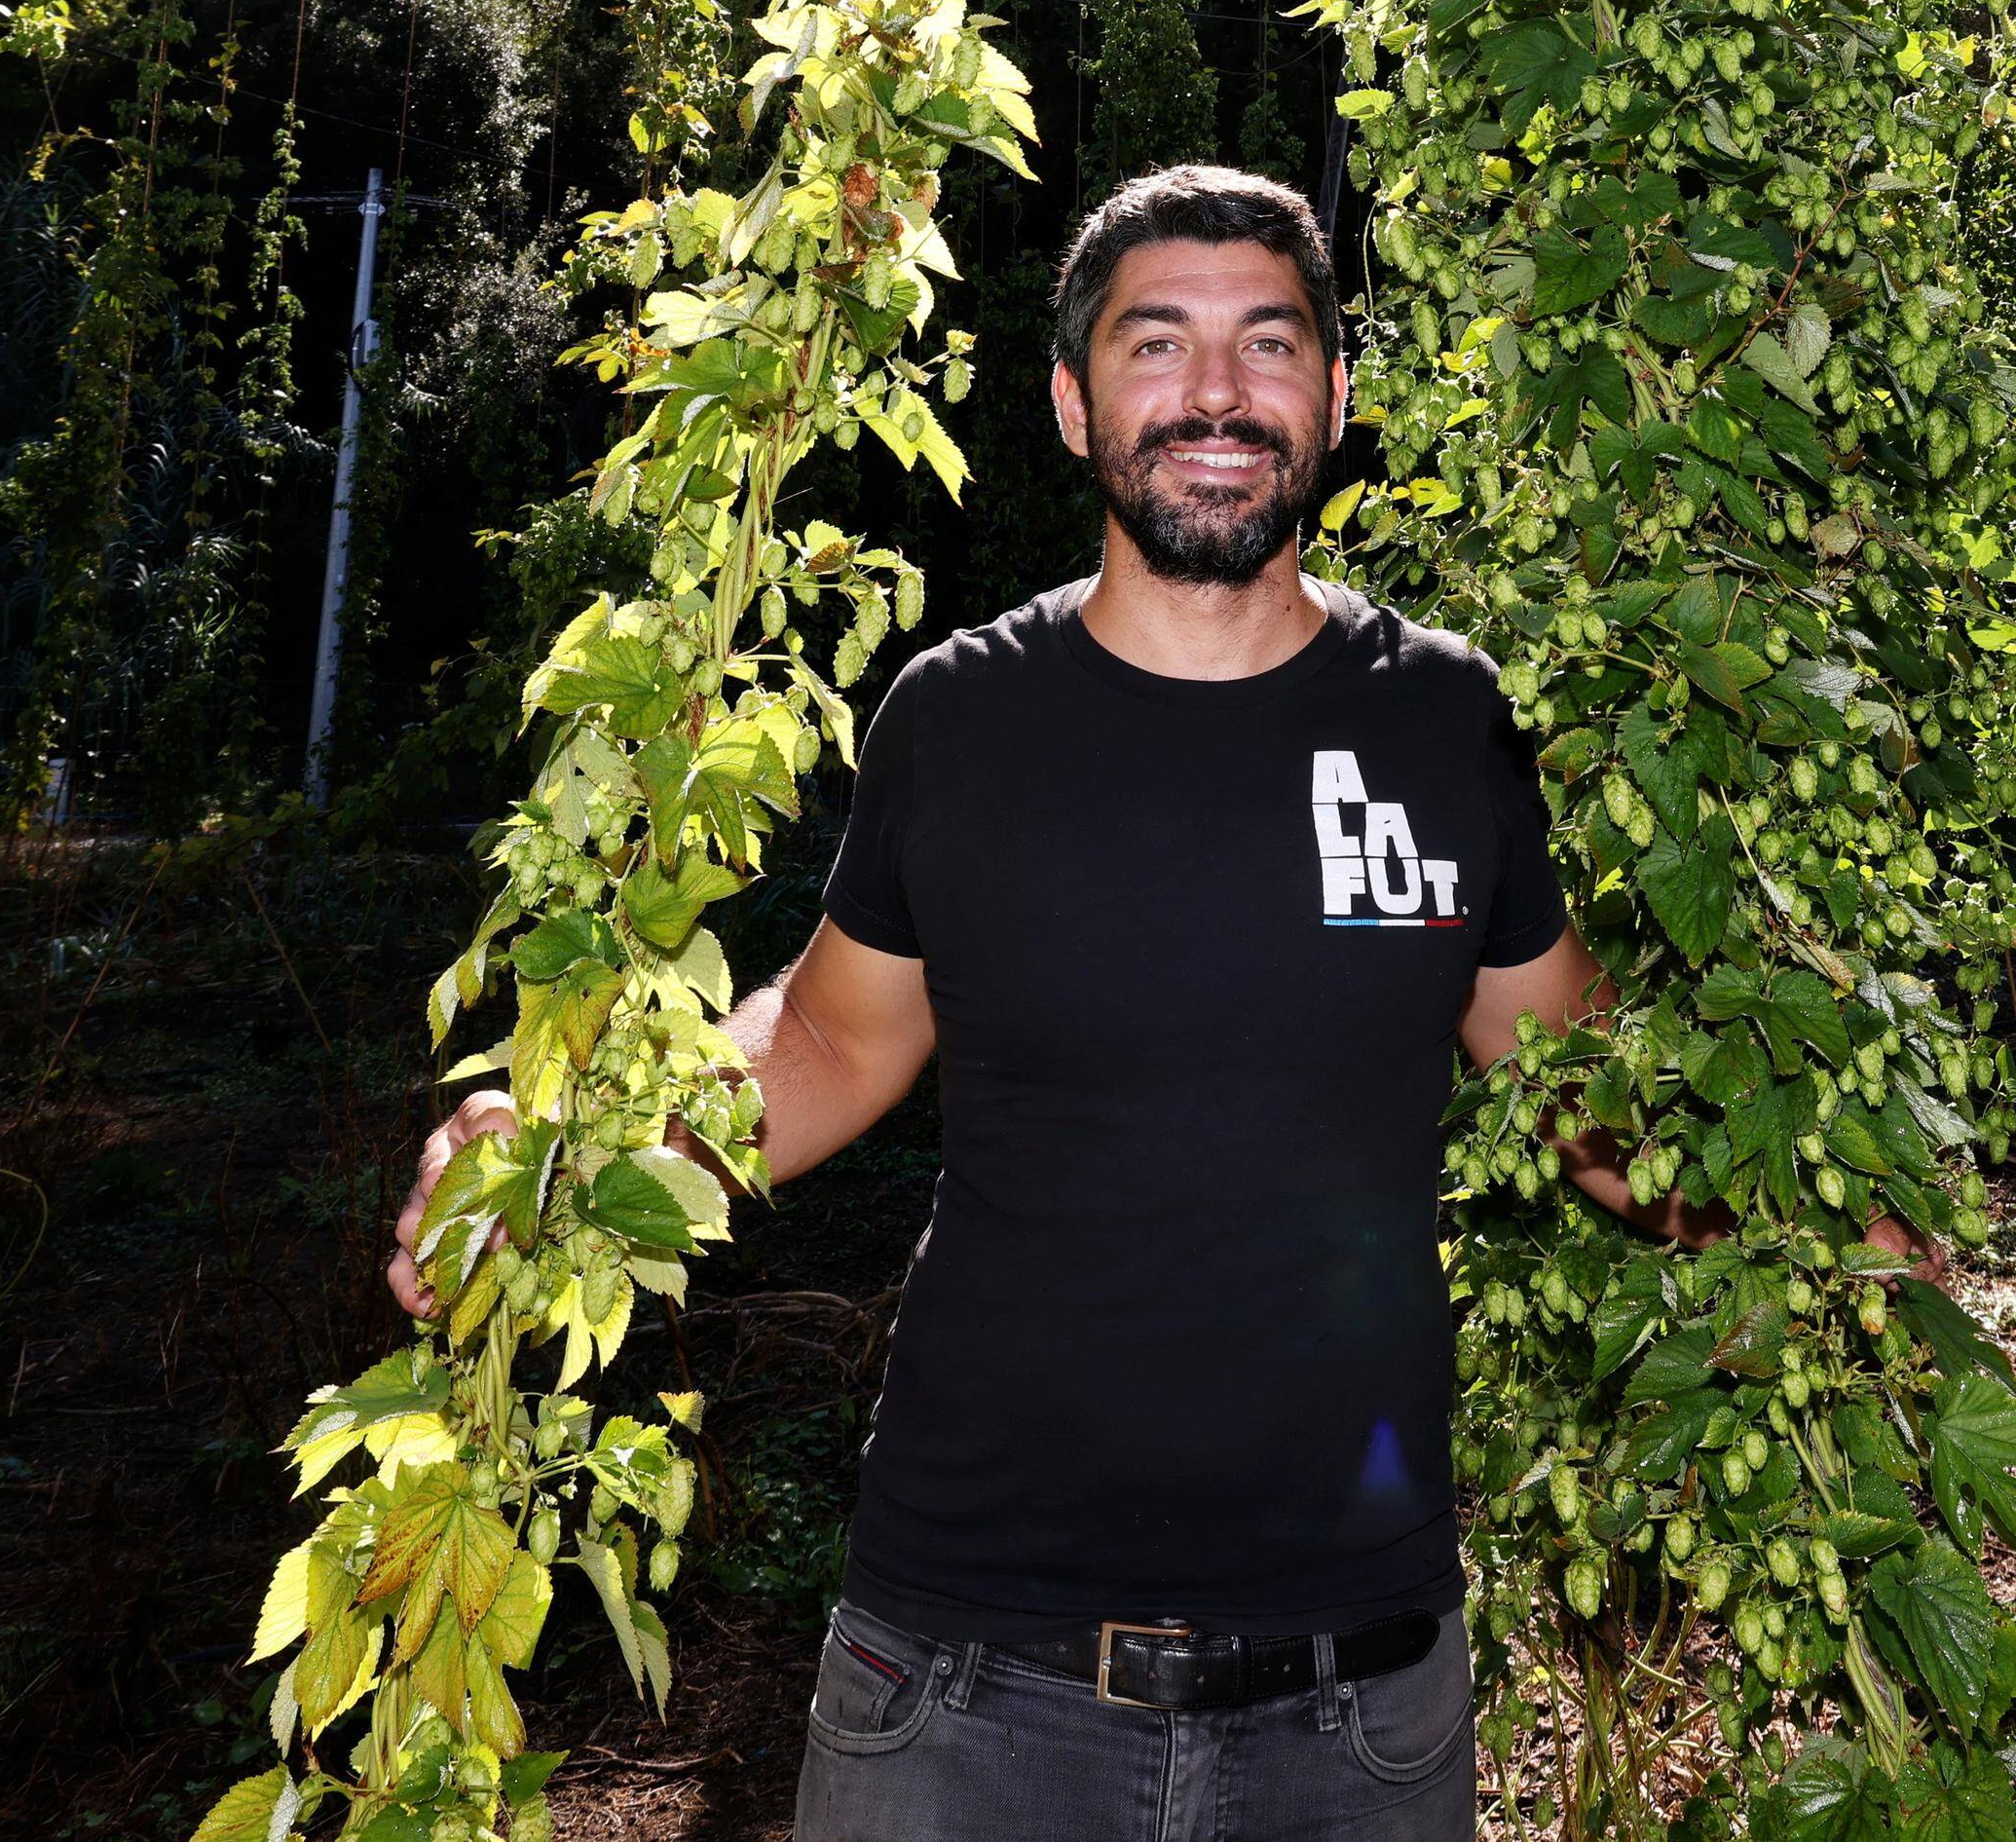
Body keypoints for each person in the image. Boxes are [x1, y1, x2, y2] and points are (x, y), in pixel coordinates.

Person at [385, 163, 1639, 1840]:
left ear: (1338, 395)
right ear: (1070, 401)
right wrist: (568, 1158)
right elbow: (828, 1038)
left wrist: (1801, 1213)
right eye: (1157, 343)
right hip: (967, 1689)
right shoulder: (962, 717)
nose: (1216, 393)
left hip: (1358, 1706)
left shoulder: (1446, 718)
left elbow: (1586, 1088)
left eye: (1270, 344)